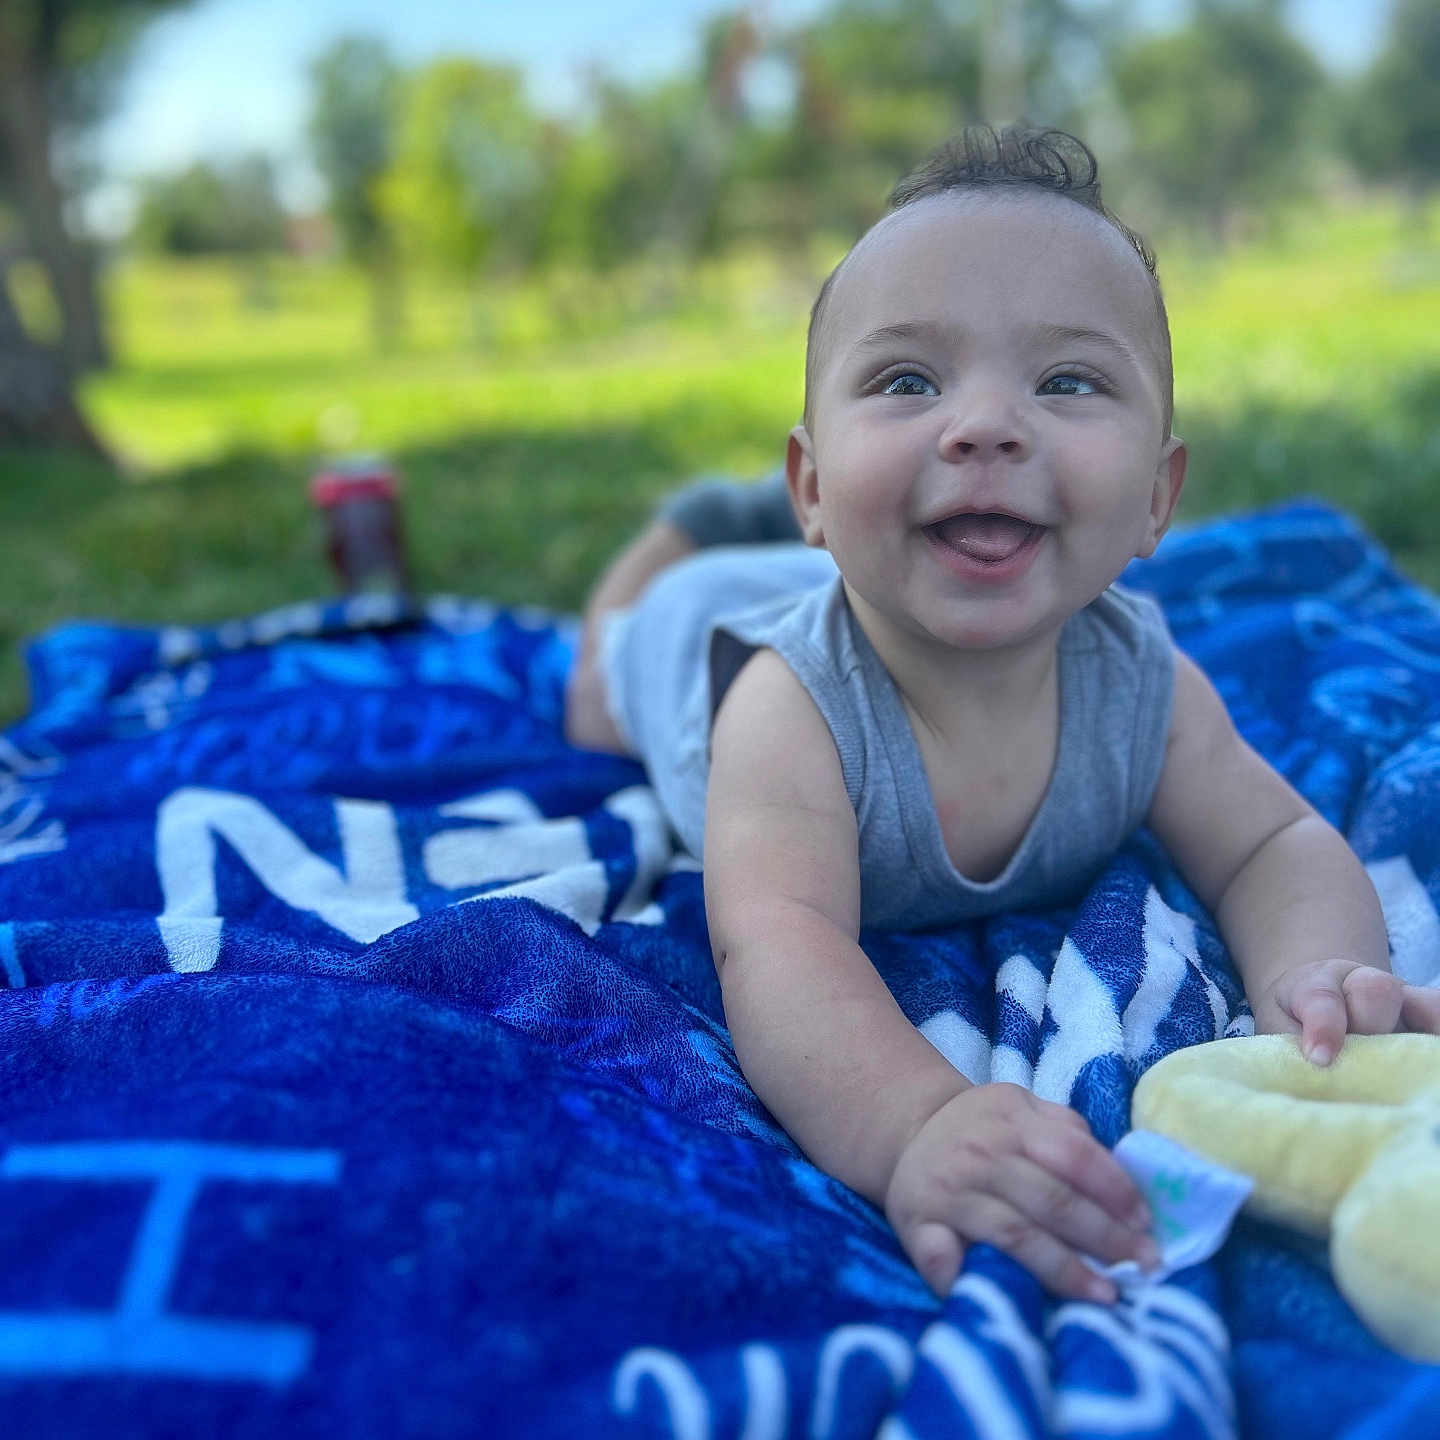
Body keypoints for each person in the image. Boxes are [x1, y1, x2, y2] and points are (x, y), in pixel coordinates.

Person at [564, 126, 1440, 1307]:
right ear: (815, 488)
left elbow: (1272, 844)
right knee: (599, 691)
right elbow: (779, 947)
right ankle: (686, 535)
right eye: (908, 381)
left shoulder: (1145, 685)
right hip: (698, 651)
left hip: (831, 569)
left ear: (1158, 499)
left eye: (1067, 381)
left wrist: (1327, 973)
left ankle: (744, 524)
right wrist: (919, 1122)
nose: (984, 426)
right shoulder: (790, 714)